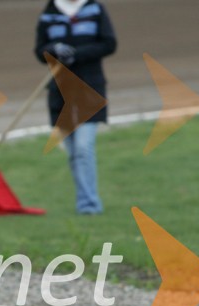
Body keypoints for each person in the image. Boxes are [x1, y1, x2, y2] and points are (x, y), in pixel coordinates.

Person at [35, 0, 117, 214]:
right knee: (73, 153)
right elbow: (39, 50)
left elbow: (109, 44)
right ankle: (85, 201)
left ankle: (89, 205)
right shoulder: (49, 13)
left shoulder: (95, 9)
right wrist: (53, 49)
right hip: (60, 94)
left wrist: (77, 54)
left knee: (83, 148)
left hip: (90, 91)